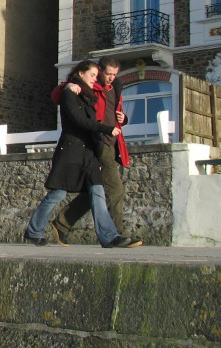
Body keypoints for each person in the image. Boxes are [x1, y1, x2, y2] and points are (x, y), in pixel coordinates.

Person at [24, 60, 142, 249]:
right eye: (93, 75)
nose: (95, 79)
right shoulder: (70, 94)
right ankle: (34, 231)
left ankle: (110, 237)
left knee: (98, 192)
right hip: (71, 152)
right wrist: (106, 128)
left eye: (97, 76)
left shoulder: (91, 95)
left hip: (89, 153)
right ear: (80, 74)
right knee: (58, 193)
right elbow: (79, 120)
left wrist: (121, 121)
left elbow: (105, 115)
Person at [48, 56, 131, 244]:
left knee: (95, 190)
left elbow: (113, 115)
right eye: (108, 74)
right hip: (98, 143)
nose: (110, 78)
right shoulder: (89, 86)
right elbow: (56, 97)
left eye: (114, 75)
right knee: (115, 190)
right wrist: (65, 87)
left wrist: (123, 119)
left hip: (113, 143)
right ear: (100, 71)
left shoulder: (115, 88)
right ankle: (117, 234)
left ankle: (62, 223)